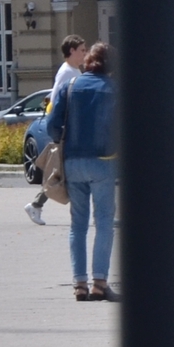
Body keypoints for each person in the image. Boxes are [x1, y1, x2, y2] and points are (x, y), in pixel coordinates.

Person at [55, 42, 117, 302]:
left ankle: (79, 284)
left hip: (72, 161)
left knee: (77, 224)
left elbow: (52, 125)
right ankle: (99, 283)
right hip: (103, 161)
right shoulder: (114, 89)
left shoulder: (70, 86)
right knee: (103, 222)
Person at [23, 34, 85, 226]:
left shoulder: (74, 71)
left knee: (67, 171)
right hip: (67, 130)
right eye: (82, 50)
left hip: (70, 128)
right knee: (66, 171)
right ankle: (36, 205)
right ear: (72, 51)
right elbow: (57, 99)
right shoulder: (68, 72)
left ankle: (36, 205)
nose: (85, 53)